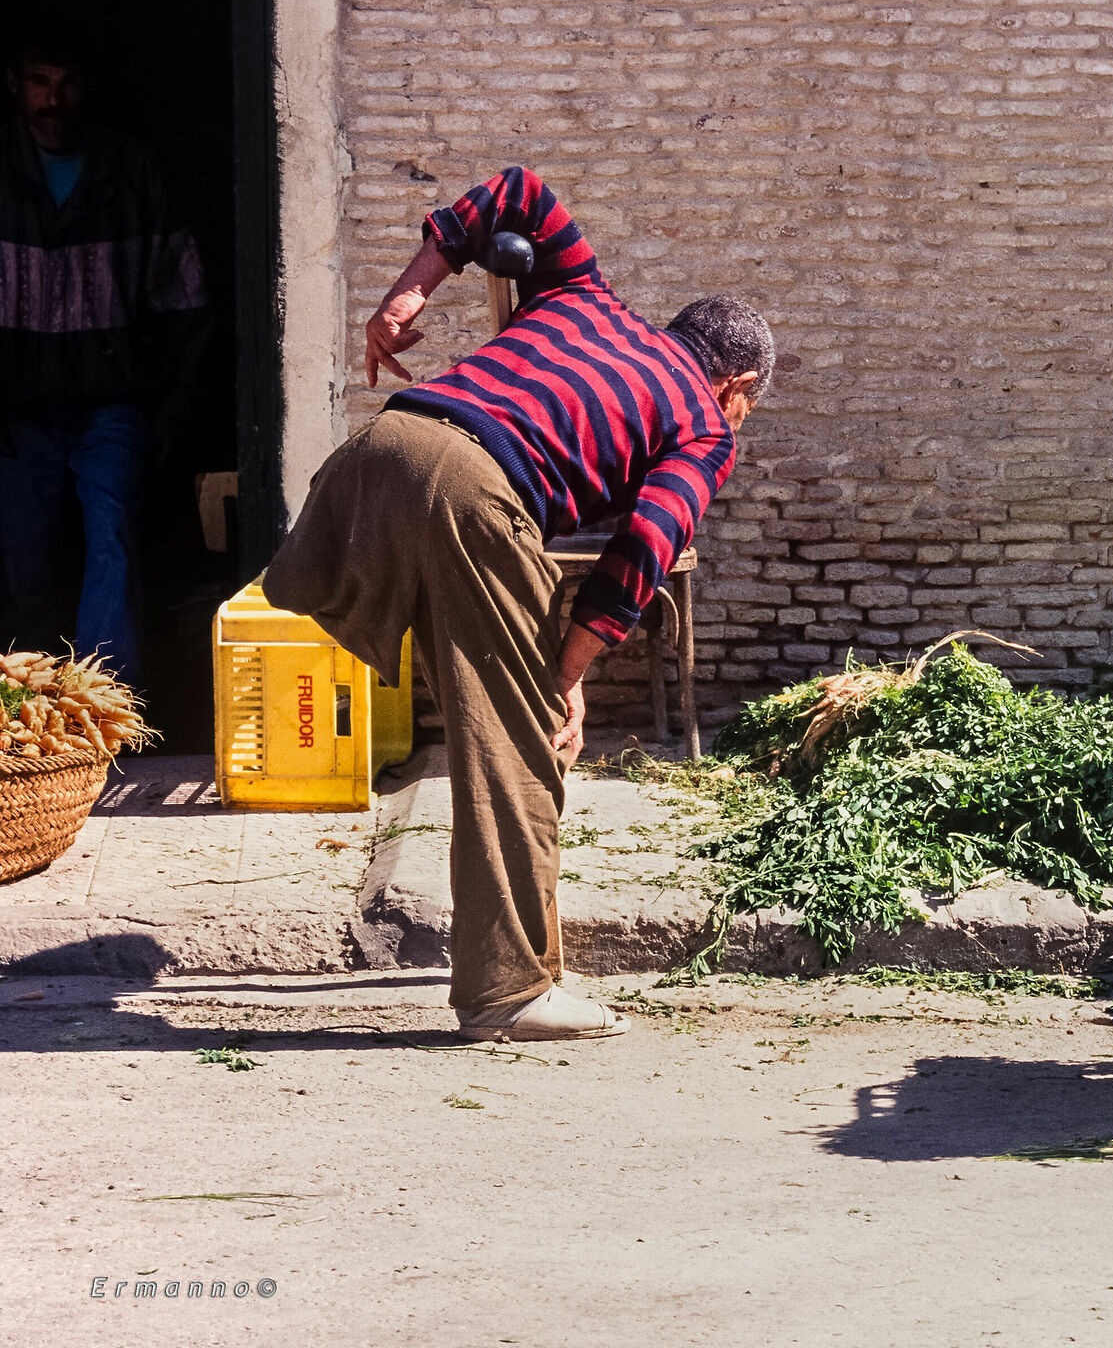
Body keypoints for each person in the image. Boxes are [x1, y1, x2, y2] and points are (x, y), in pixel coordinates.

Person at [264, 167, 773, 1042]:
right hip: (474, 494)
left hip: (375, 458)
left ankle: (506, 962)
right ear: (737, 385)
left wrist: (406, 295)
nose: (740, 418)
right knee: (519, 744)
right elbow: (644, 551)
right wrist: (566, 678)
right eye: (749, 404)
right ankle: (510, 990)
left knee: (482, 703)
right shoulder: (703, 422)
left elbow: (520, 191)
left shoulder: (584, 295)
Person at [0, 32, 207, 683]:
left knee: (112, 543)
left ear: (86, 88)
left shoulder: (132, 171)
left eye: (66, 83)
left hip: (113, 403)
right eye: (39, 82)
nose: (53, 100)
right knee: (23, 566)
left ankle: (105, 709)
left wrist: (172, 411)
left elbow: (186, 301)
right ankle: (28, 712)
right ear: (15, 85)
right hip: (17, 414)